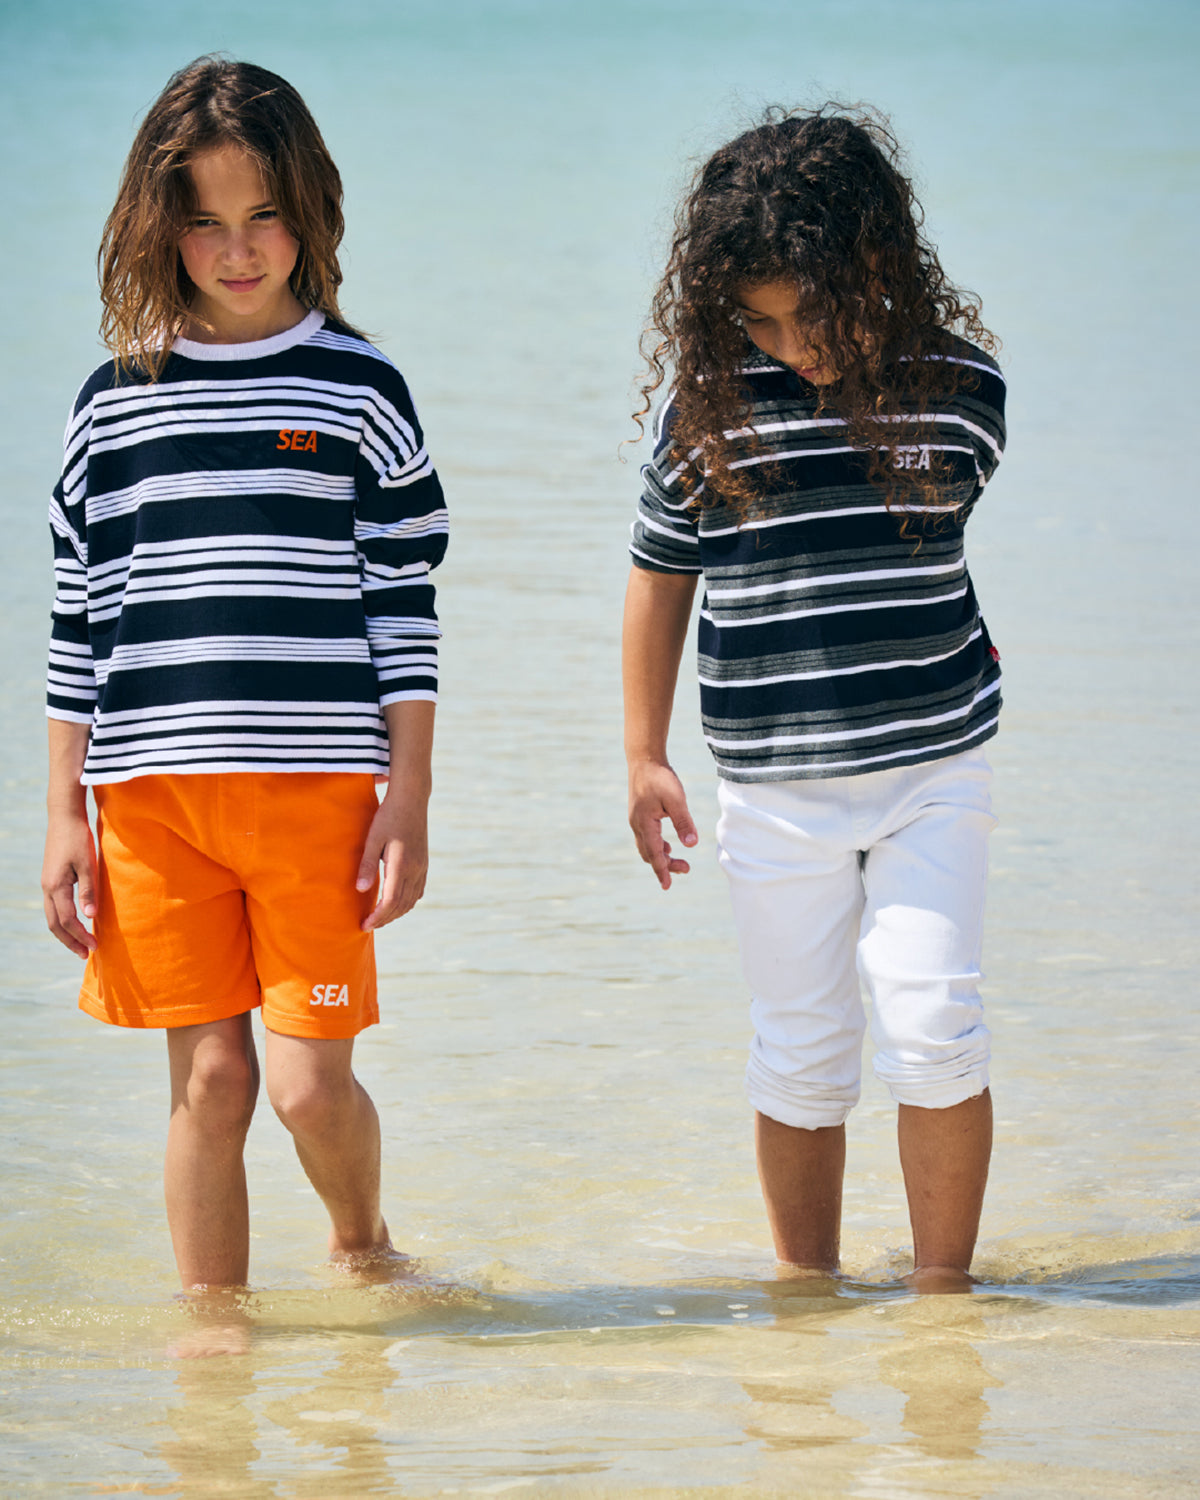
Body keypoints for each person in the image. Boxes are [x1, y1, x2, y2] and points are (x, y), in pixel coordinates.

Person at [40, 57, 448, 1302]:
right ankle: (213, 1339)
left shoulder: (360, 389)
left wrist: (409, 795)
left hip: (318, 798)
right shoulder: (114, 403)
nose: (236, 249)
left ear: (309, 210)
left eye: (263, 214)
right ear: (156, 226)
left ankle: (363, 1244)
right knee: (211, 1083)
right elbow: (75, 625)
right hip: (152, 802)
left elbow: (405, 610)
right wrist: (63, 816)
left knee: (309, 1087)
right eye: (204, 221)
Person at [623, 108, 1006, 1291]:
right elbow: (659, 578)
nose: (793, 346)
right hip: (774, 790)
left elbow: (936, 539)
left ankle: (943, 1297)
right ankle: (809, 1296)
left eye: (816, 313)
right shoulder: (706, 414)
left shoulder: (960, 389)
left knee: (935, 1024)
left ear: (877, 263)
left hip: (935, 767)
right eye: (762, 321)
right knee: (800, 1051)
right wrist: (644, 754)